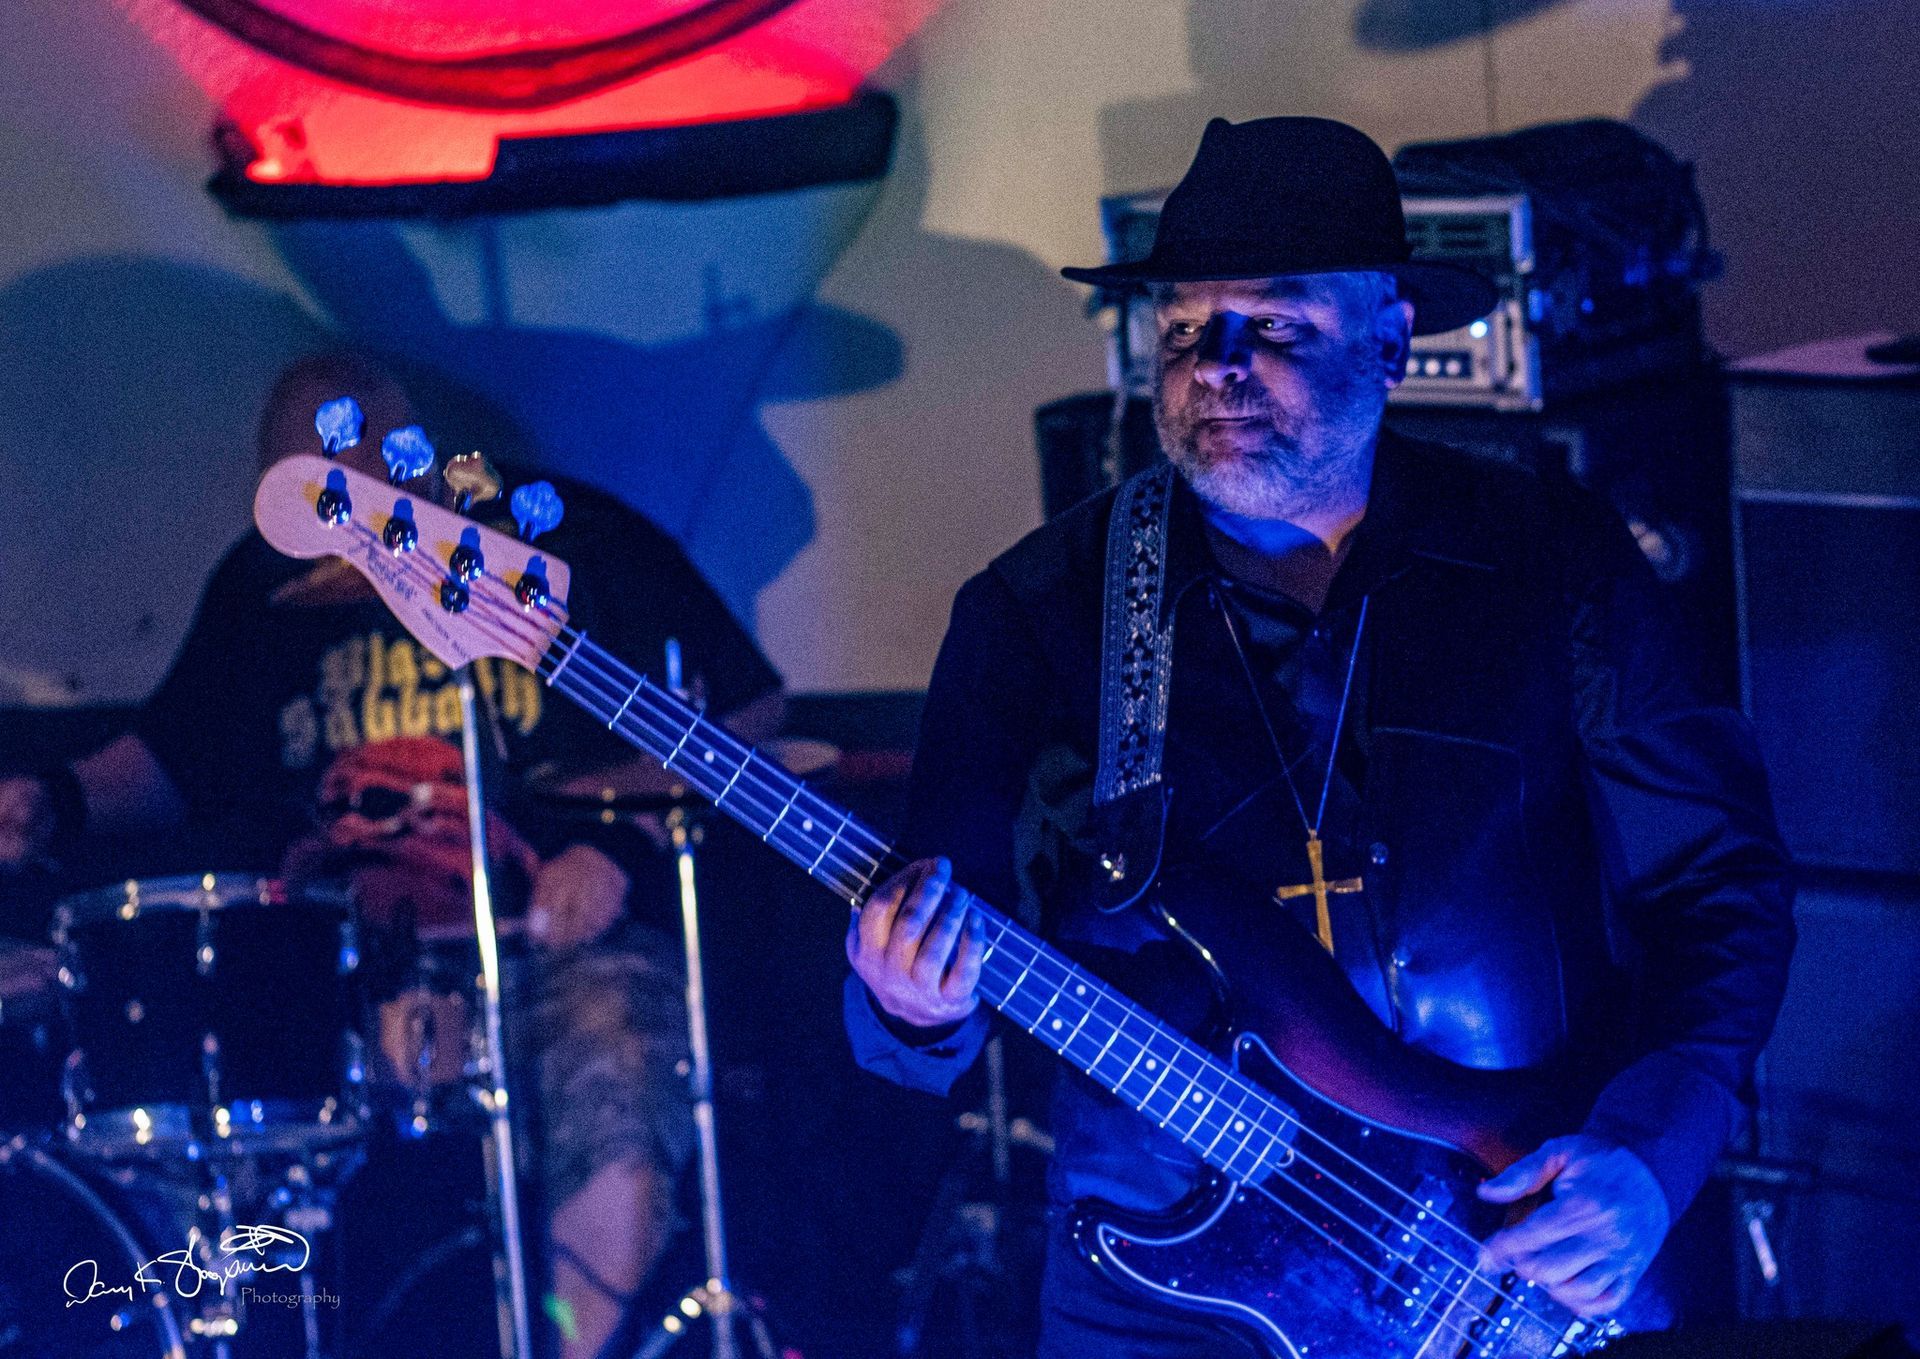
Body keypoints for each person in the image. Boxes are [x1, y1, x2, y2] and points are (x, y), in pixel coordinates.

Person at [843, 117, 1794, 1356]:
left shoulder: (1550, 556)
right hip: (1163, 1293)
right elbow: (937, 979)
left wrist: (1651, 1158)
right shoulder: (1042, 610)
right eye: (1185, 331)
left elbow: (1718, 883)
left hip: (1516, 1245)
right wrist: (908, 998)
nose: (1217, 366)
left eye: (1276, 328)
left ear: (1391, 338)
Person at [0, 352, 785, 1359]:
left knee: (619, 1071)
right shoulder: (259, 587)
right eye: (289, 502)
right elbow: (175, 754)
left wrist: (616, 848)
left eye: (330, 497)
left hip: (552, 949)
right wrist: (53, 801)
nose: (313, 534)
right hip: (339, 968)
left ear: (404, 462)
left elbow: (750, 710)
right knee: (175, 1113)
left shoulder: (562, 538)